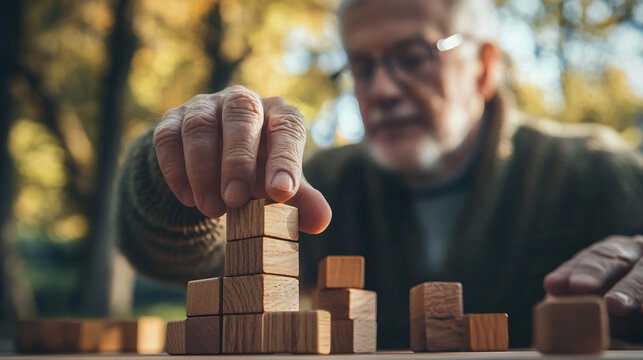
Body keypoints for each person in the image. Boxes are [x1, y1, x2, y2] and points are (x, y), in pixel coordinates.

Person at [115, 0, 643, 349]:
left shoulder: (602, 171)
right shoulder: (320, 183)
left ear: (484, 68)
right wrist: (176, 176)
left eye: (413, 57)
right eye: (361, 67)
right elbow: (179, 260)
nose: (382, 90)